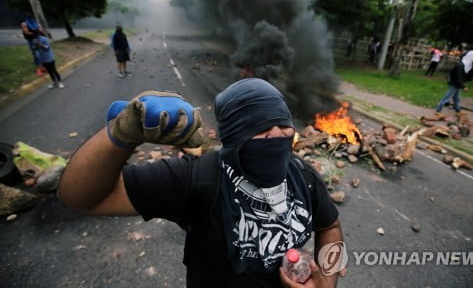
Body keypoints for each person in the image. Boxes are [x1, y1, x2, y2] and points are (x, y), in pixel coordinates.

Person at [58, 78, 344, 288]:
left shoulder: (302, 175)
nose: (276, 136)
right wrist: (121, 136)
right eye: (260, 129)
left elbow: (329, 226)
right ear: (232, 137)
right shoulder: (195, 178)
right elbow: (80, 197)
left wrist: (326, 283)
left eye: (283, 127)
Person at [435, 50, 473, 117]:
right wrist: (463, 86)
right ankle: (438, 111)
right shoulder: (460, 65)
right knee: (446, 97)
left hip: (458, 84)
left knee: (457, 98)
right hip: (454, 83)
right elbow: (458, 77)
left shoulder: (468, 65)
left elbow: (468, 75)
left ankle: (458, 111)